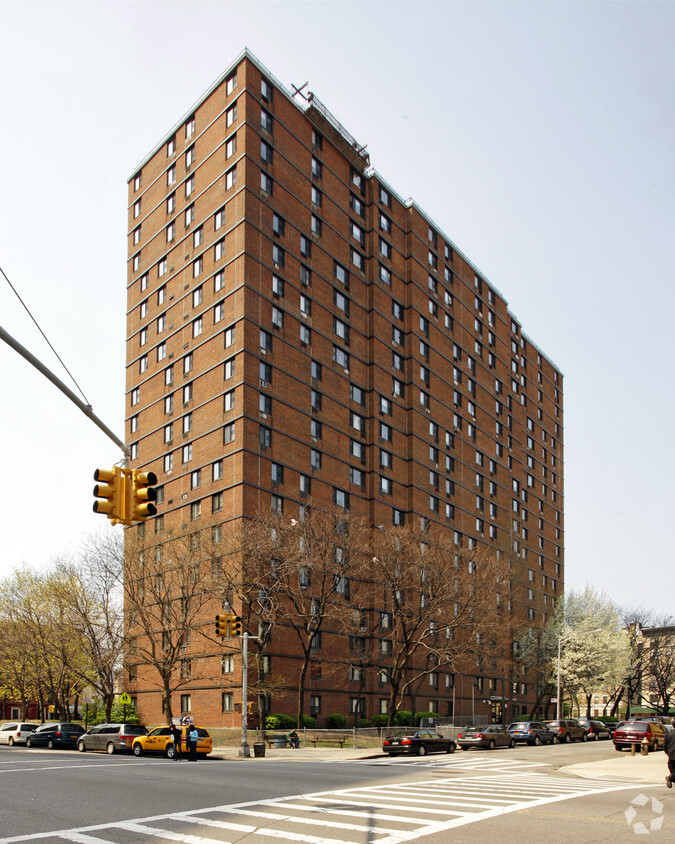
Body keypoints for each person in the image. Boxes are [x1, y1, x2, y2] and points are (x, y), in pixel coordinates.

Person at [665, 722, 675, 788]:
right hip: (672, 755)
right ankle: (670, 778)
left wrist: (668, 753)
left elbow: (665, 745)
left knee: (673, 770)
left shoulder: (669, 734)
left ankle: (671, 778)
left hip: (671, 755)